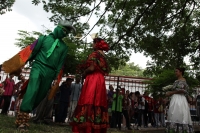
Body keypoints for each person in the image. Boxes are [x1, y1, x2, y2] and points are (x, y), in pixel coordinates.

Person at [10, 20, 76, 131]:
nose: (65, 33)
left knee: (40, 95)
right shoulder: (43, 39)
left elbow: (61, 64)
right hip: (38, 66)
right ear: (57, 27)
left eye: (67, 33)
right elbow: (31, 52)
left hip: (50, 73)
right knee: (33, 88)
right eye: (64, 30)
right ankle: (22, 120)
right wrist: (19, 64)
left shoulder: (64, 47)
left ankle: (24, 113)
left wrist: (56, 78)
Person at [70, 37, 110, 133]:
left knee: (89, 100)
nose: (92, 45)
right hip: (100, 80)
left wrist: (84, 72)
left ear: (97, 44)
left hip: (93, 79)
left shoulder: (94, 54)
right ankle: (96, 126)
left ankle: (87, 127)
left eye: (93, 43)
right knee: (98, 102)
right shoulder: (103, 56)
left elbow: (91, 68)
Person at [165, 67, 193, 133]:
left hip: (180, 99)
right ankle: (174, 129)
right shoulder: (176, 81)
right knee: (173, 113)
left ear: (181, 72)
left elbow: (182, 91)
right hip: (175, 98)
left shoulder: (183, 80)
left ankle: (180, 130)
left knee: (179, 113)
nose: (175, 73)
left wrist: (171, 92)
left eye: (176, 71)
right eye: (175, 71)